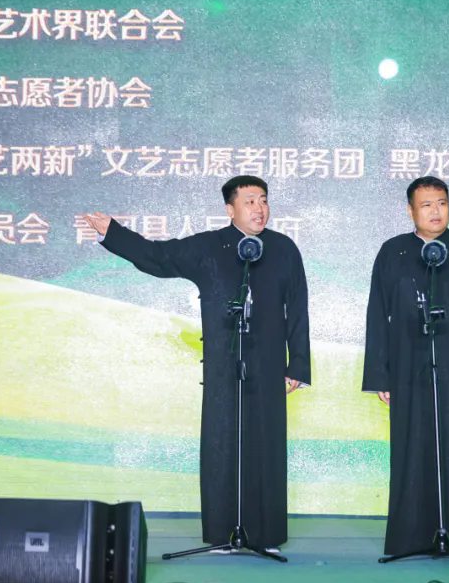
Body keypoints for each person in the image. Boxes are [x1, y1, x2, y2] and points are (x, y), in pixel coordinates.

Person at [83, 175, 310, 551]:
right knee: (222, 445)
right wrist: (113, 233)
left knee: (265, 447)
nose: (259, 208)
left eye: (264, 200)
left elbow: (298, 308)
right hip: (222, 363)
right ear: (230, 209)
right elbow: (157, 257)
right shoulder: (210, 246)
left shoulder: (284, 248)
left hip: (270, 366)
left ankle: (265, 535)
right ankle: (223, 534)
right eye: (250, 201)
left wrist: (297, 364)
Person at [362, 175, 449, 556]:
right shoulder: (393, 252)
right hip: (406, 368)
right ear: (410, 211)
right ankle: (410, 538)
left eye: (441, 203)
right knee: (411, 449)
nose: (436, 211)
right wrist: (380, 375)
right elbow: (377, 316)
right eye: (426, 205)